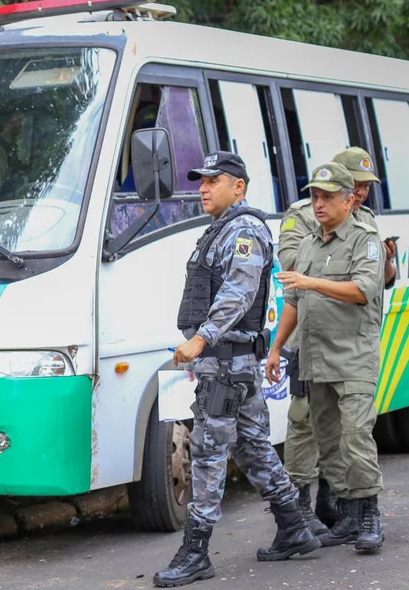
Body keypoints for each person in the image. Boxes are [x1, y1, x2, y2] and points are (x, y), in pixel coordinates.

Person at [154, 152, 318, 588]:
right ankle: (294, 527)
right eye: (201, 181)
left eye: (214, 181)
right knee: (251, 447)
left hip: (226, 362)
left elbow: (238, 294)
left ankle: (196, 552)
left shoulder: (243, 231)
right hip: (232, 361)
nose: (203, 188)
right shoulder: (223, 229)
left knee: (208, 453)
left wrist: (199, 339)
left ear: (239, 186)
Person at [267, 162, 386, 554]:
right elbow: (293, 302)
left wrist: (312, 281)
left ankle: (370, 514)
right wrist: (275, 347)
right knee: (329, 442)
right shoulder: (306, 244)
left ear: (349, 200)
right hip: (316, 358)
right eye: (314, 196)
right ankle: (349, 515)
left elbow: (363, 290)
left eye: (327, 197)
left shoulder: (364, 240)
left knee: (355, 436)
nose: (318, 204)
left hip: (353, 358)